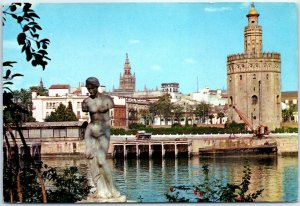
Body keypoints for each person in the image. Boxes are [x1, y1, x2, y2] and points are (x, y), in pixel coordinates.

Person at [82, 77, 122, 200]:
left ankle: (112, 188)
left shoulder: (107, 100)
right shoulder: (86, 102)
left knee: (101, 160)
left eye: (92, 88)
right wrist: (88, 145)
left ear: (97, 86)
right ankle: (101, 190)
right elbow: (89, 119)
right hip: (91, 131)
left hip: (104, 131)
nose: (90, 91)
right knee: (91, 160)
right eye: (88, 89)